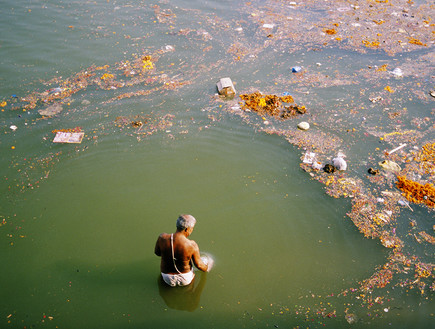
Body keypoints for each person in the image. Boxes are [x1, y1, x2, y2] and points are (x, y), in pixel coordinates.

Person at [154, 214, 212, 287]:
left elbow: (157, 253)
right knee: (205, 260)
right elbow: (199, 265)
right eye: (192, 228)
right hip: (185, 279)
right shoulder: (191, 245)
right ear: (187, 229)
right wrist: (207, 267)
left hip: (166, 277)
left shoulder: (162, 238)